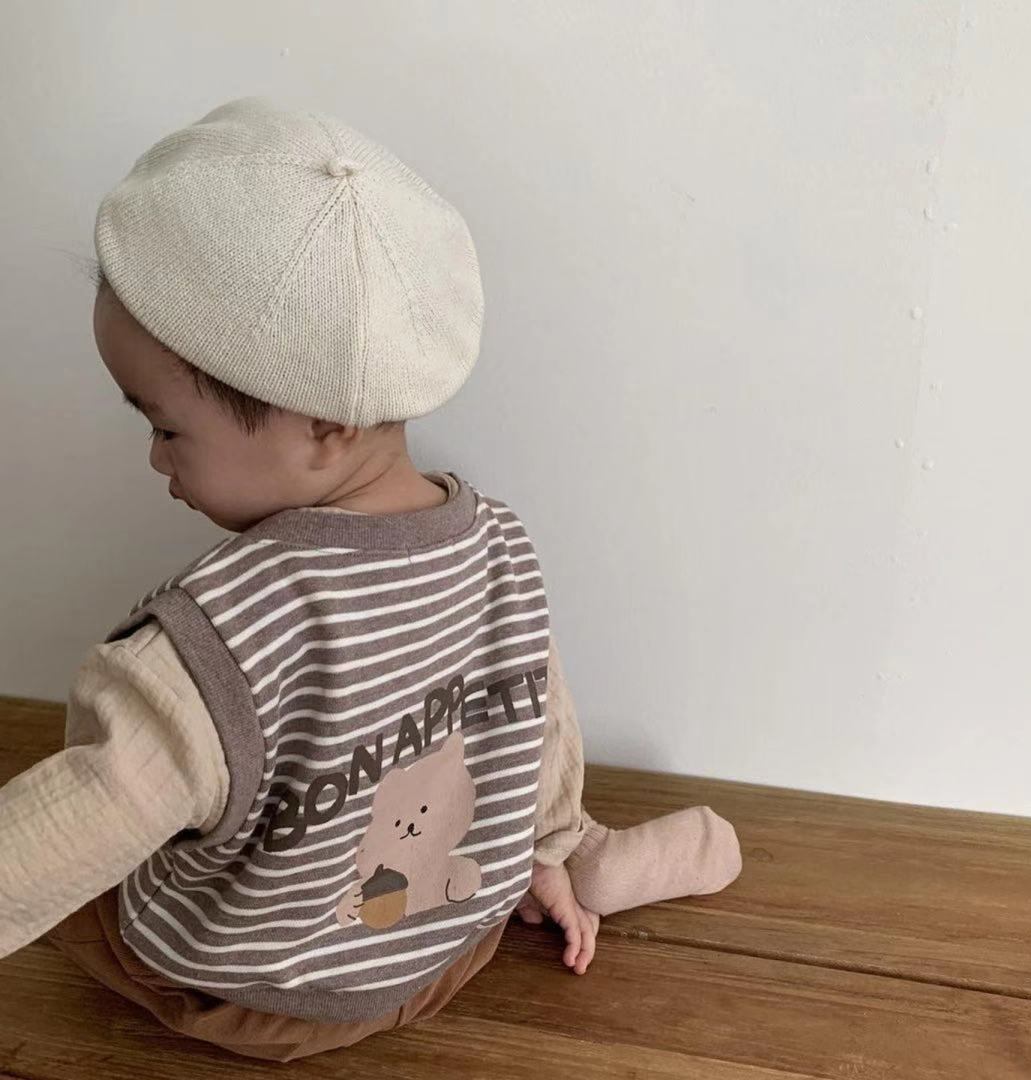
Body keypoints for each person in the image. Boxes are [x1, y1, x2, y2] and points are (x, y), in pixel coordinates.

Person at [0, 97, 742, 1061]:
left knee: (87, 890)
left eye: (165, 426)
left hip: (266, 1001)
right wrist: (549, 841)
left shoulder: (227, 638)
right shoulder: (498, 541)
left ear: (325, 424)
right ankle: (577, 864)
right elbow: (540, 719)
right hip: (448, 948)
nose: (154, 460)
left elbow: (78, 821)